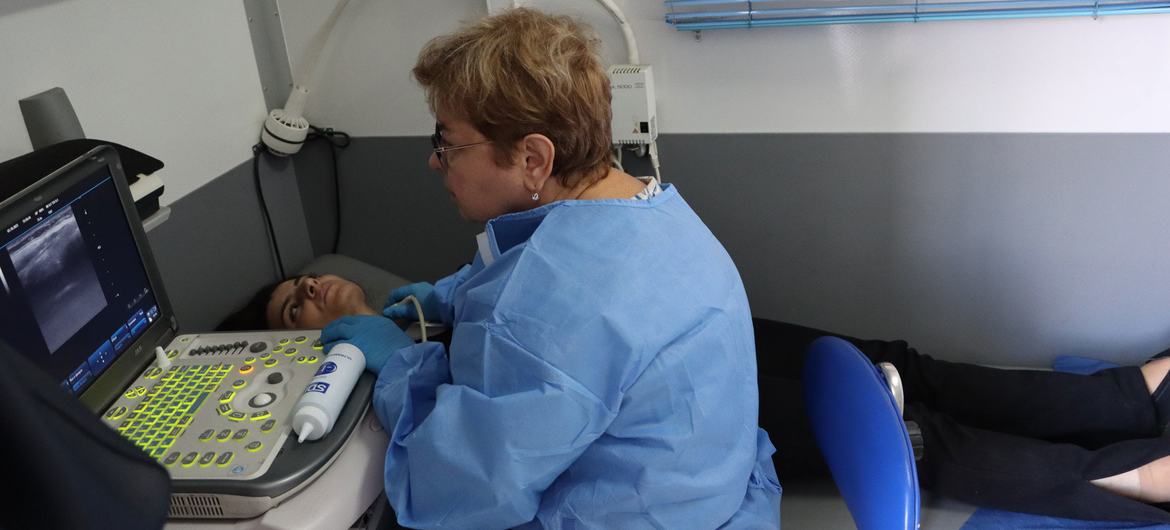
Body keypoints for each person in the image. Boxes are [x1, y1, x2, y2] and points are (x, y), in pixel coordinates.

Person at [247, 9, 780, 529]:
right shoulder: (653, 208)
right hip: (711, 492)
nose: (436, 161)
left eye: (448, 142)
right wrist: (454, 293)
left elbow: (462, 488)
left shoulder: (542, 307)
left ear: (533, 159)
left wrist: (400, 368)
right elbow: (561, 282)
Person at [224, 272, 1170, 524]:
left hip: (684, 337)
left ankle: (1128, 396)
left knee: (889, 361)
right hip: (660, 403)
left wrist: (441, 303)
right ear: (305, 346)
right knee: (902, 431)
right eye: (292, 306)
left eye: (306, 279)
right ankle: (1129, 477)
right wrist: (392, 359)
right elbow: (487, 446)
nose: (311, 292)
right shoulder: (379, 365)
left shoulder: (422, 297)